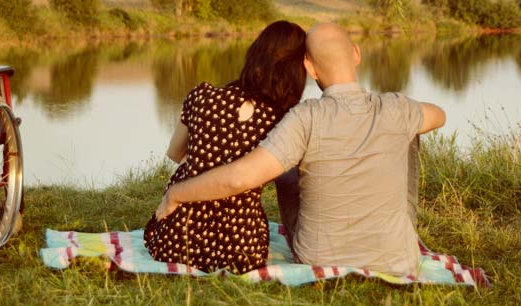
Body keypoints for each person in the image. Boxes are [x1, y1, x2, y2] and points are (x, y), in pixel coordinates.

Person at [154, 22, 446, 277]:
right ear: (356, 53)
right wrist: (393, 116)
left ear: (308, 66)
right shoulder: (397, 107)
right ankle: (393, 232)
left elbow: (239, 178)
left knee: (286, 161)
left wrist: (177, 193)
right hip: (398, 259)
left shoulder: (304, 117)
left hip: (321, 257)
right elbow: (439, 115)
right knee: (408, 131)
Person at [143, 20, 307, 274]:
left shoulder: (202, 96)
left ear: (255, 53)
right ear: (297, 71)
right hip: (240, 247)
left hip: (177, 240)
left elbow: (175, 153)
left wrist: (207, 157)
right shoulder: (284, 119)